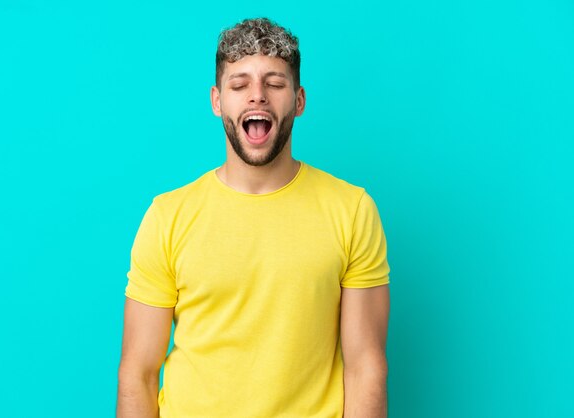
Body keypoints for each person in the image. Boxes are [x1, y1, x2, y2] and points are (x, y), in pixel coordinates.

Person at [117, 17, 391, 418]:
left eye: (275, 84)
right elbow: (138, 373)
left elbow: (366, 367)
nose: (257, 97)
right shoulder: (168, 216)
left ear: (298, 100)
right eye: (240, 84)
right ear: (217, 101)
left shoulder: (352, 211)